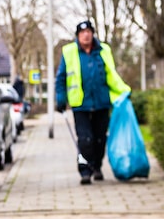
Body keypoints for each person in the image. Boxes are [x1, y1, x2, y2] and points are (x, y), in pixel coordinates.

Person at [55, 20, 130, 185]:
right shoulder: (69, 52)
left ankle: (97, 166)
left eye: (89, 31)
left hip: (101, 102)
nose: (86, 35)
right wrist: (60, 99)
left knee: (99, 139)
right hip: (80, 104)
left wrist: (124, 91)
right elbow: (61, 78)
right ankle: (85, 171)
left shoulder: (104, 50)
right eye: (82, 33)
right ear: (78, 36)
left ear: (93, 34)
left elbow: (111, 74)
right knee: (85, 139)